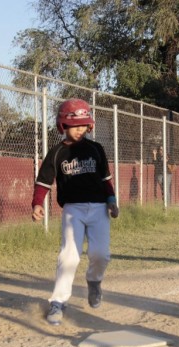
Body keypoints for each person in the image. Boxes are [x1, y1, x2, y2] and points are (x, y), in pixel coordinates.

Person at [31, 98, 119, 326]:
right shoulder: (57, 152)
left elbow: (106, 179)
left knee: (101, 254)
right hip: (73, 209)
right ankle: (58, 301)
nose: (80, 129)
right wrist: (37, 203)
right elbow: (43, 182)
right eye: (75, 125)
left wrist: (111, 200)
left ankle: (94, 281)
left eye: (84, 124)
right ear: (63, 125)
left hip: (99, 208)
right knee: (69, 255)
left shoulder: (96, 149)